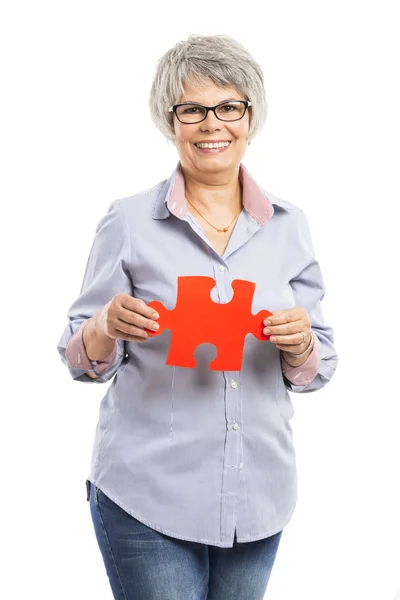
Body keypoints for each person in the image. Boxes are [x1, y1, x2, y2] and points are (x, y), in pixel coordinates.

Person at [57, 34, 338, 600]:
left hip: (257, 495)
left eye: (228, 107)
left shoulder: (290, 224)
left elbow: (321, 365)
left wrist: (302, 344)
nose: (213, 124)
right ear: (171, 120)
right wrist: (105, 327)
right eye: (193, 109)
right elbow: (78, 360)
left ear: (250, 116)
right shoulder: (130, 221)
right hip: (148, 494)